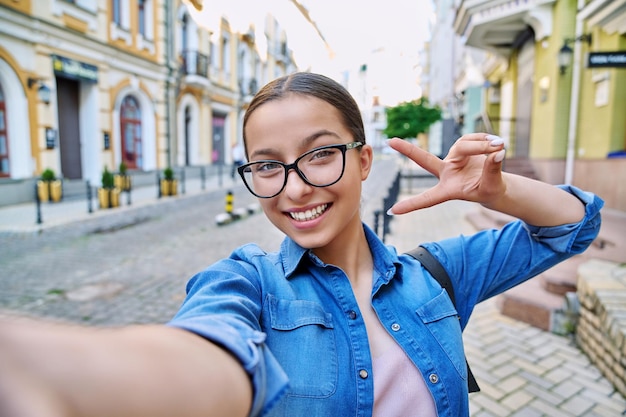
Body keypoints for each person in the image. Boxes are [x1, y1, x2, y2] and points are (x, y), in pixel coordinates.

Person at [0, 72, 602, 417]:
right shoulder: (247, 284)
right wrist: (61, 372)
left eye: (319, 154)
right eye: (268, 166)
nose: (293, 188)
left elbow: (576, 224)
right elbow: (205, 352)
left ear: (364, 160)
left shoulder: (437, 274)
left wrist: (493, 191)